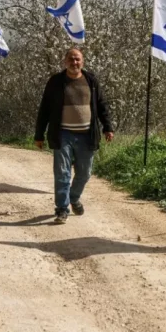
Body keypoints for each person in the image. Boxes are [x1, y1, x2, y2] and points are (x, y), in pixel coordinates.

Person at [35, 48, 114, 223]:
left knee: (85, 173)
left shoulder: (91, 80)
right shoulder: (56, 81)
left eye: (77, 59)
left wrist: (108, 127)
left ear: (82, 61)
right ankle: (62, 209)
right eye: (71, 59)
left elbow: (101, 105)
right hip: (62, 134)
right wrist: (39, 134)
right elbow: (45, 108)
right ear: (65, 62)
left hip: (86, 135)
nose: (74, 62)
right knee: (62, 173)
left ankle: (73, 197)